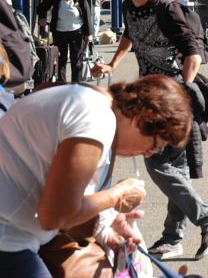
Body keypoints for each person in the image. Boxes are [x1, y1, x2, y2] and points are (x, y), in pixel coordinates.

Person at [92, 0, 208, 260]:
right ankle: (172, 238)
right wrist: (113, 64)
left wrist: (180, 91)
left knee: (158, 163)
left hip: (173, 103)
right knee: (175, 169)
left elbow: (192, 53)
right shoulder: (129, 7)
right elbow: (129, 36)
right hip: (151, 97)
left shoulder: (166, 9)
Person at [0, 75, 192, 277]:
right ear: (142, 119)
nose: (147, 153)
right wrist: (115, 195)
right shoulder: (96, 118)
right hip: (8, 237)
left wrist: (105, 225)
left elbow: (58, 195)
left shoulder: (92, 101)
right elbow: (56, 215)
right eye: (154, 145)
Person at [36, 0, 93, 83]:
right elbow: (42, 7)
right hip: (59, 32)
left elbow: (87, 15)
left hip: (77, 32)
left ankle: (75, 84)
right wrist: (42, 18)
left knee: (76, 60)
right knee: (61, 60)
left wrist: (89, 34)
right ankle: (62, 84)